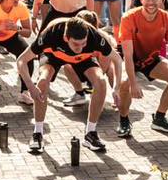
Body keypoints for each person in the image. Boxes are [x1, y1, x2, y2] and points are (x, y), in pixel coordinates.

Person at [17, 15, 117, 153]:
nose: (80, 47)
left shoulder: (93, 35)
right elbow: (21, 61)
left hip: (82, 60)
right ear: (66, 38)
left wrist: (116, 87)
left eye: (83, 43)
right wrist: (30, 87)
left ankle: (91, 133)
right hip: (54, 56)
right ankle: (37, 133)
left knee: (100, 81)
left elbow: (117, 59)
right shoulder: (51, 34)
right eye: (76, 44)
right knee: (42, 81)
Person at [114, 0, 168, 138]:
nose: (151, 2)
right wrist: (133, 83)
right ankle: (123, 120)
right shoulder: (129, 18)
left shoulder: (166, 18)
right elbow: (128, 55)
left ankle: (159, 118)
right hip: (131, 59)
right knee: (124, 84)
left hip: (151, 58)